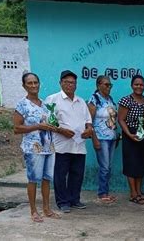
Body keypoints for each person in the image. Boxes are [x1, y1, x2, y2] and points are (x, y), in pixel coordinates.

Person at [13, 72, 60, 222]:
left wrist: (52, 126)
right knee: (33, 179)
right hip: (33, 147)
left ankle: (47, 208)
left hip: (48, 146)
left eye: (35, 82)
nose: (33, 86)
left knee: (47, 178)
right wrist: (38, 126)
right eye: (30, 83)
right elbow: (17, 128)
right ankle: (33, 210)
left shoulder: (45, 104)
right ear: (24, 86)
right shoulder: (22, 105)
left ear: (39, 84)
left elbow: (49, 122)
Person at [45, 70, 93, 213]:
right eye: (66, 82)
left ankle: (74, 199)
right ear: (60, 83)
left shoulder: (81, 101)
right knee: (60, 174)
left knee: (77, 174)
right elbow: (47, 122)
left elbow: (88, 121)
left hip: (79, 144)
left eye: (72, 82)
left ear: (76, 85)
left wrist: (89, 130)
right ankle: (63, 202)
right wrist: (62, 131)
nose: (70, 85)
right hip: (62, 144)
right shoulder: (52, 99)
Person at [118, 75, 144, 205]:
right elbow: (121, 119)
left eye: (141, 85)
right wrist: (129, 134)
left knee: (141, 164)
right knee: (131, 163)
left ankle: (139, 191)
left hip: (143, 134)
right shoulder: (126, 100)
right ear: (132, 85)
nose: (139, 87)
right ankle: (133, 193)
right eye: (136, 84)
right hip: (130, 134)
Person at [87, 75, 118, 204]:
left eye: (110, 85)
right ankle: (102, 193)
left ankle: (105, 192)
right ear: (98, 85)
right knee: (104, 167)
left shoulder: (110, 99)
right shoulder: (94, 100)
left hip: (112, 137)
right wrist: (94, 139)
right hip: (101, 137)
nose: (108, 87)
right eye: (106, 84)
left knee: (108, 167)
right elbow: (89, 121)